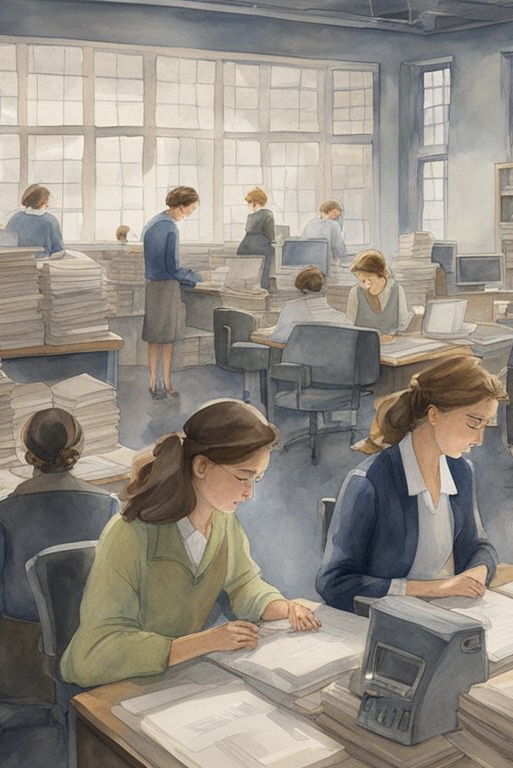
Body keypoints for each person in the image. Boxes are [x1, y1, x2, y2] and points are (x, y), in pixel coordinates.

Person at [62, 400, 320, 688]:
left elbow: (243, 583)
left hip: (183, 677)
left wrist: (283, 607)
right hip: (126, 686)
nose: (249, 494)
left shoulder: (223, 522)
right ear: (201, 466)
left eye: (256, 480)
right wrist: (206, 641)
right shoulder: (130, 534)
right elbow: (92, 655)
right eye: (242, 477)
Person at [316, 356, 503, 612]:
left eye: (486, 425)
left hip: (447, 613)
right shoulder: (369, 482)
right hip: (386, 620)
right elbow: (334, 583)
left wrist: (477, 573)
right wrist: (437, 589)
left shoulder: (461, 471)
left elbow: (478, 545)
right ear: (434, 414)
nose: (479, 439)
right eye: (473, 423)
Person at [0, 408, 118, 703]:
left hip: (20, 661)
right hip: (91, 650)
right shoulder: (110, 507)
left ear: (27, 453)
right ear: (78, 451)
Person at [142, 186, 204, 399]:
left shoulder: (154, 222)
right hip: (166, 287)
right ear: (181, 206)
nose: (192, 212)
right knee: (166, 338)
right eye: (191, 208)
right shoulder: (170, 228)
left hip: (152, 286)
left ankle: (153, 382)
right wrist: (196, 278)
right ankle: (166, 382)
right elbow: (172, 267)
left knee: (154, 338)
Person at [269, 266, 351, 343]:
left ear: (301, 287)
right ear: (325, 286)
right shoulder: (342, 319)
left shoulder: (291, 307)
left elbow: (278, 337)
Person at [346, 249, 411, 340]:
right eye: (357, 276)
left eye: (360, 275)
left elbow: (403, 324)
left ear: (372, 273)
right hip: (364, 344)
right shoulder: (356, 292)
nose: (360, 280)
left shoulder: (397, 290)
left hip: (391, 345)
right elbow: (349, 325)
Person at [4, 184, 65, 259]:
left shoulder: (15, 218)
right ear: (44, 201)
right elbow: (58, 251)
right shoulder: (51, 221)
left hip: (17, 263)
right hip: (42, 264)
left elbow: (6, 245)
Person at [237, 187, 277, 291]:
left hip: (245, 246)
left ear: (255, 202)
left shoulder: (250, 216)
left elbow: (248, 230)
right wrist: (272, 241)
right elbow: (270, 234)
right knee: (271, 252)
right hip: (260, 245)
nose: (248, 205)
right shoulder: (268, 214)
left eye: (249, 202)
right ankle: (264, 285)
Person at [301, 199, 348, 264]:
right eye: (337, 215)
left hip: (307, 259)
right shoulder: (333, 225)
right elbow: (339, 248)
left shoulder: (311, 223)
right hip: (325, 261)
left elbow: (303, 240)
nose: (338, 217)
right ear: (330, 211)